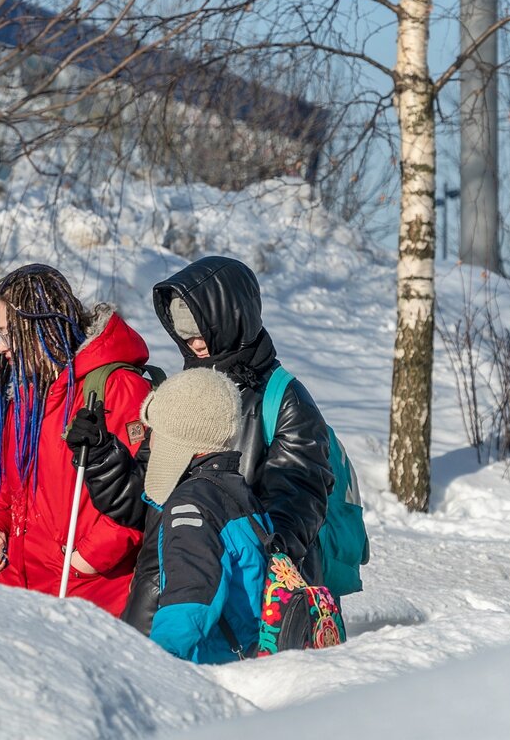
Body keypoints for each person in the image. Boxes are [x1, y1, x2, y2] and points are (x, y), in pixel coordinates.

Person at [67, 256, 332, 630]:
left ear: (230, 318)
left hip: (244, 601)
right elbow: (143, 502)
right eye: (182, 330)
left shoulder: (284, 399)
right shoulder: (182, 395)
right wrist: (101, 455)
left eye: (199, 328)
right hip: (162, 592)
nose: (193, 342)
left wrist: (231, 557)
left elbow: (297, 505)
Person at [0, 264, 150, 616]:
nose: (2, 348)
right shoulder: (24, 399)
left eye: (10, 334)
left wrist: (87, 558)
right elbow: (6, 487)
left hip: (88, 599)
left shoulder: (116, 387)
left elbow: (144, 490)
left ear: (42, 328)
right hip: (19, 593)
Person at [128, 368, 271, 663]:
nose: (149, 439)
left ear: (179, 437)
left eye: (155, 429)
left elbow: (190, 595)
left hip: (215, 666)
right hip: (249, 653)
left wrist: (159, 660)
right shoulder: (234, 489)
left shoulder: (190, 505)